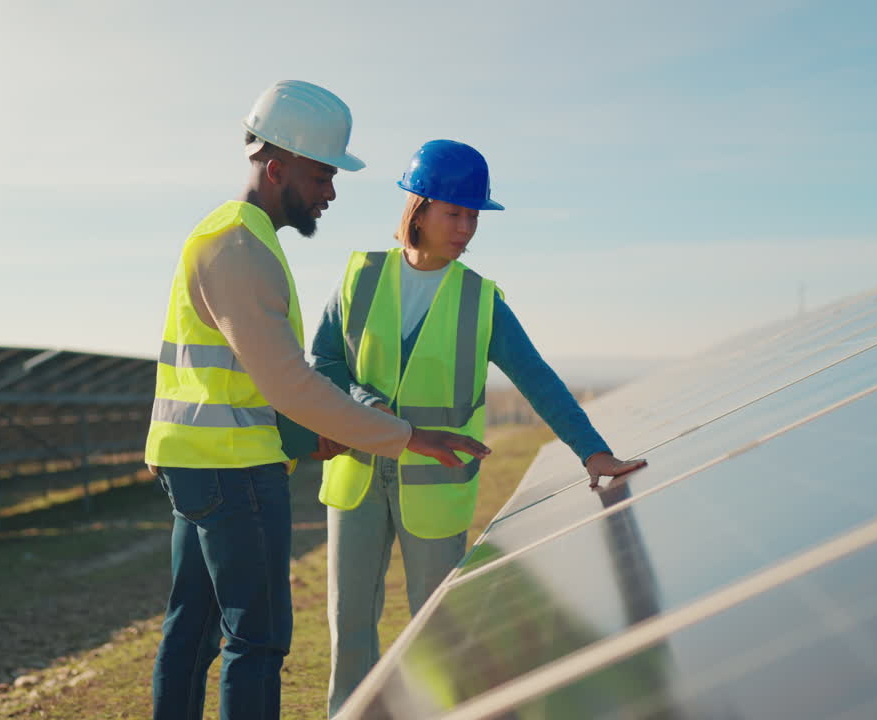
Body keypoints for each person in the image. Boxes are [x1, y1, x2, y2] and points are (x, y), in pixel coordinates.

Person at [144, 84, 492, 720]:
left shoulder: (223, 234)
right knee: (257, 638)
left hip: (196, 463)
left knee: (191, 632)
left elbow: (233, 382)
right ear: (278, 169)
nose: (331, 192)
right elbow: (289, 384)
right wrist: (405, 437)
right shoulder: (242, 249)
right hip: (236, 474)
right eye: (322, 175)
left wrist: (311, 437)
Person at [312, 139, 647, 716]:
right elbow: (322, 365)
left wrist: (594, 453)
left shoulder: (482, 301)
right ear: (418, 207)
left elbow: (539, 381)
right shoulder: (358, 276)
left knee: (443, 634)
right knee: (349, 627)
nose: (467, 228)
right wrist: (365, 400)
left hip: (436, 487)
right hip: (356, 476)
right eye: (455, 212)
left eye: (474, 215)